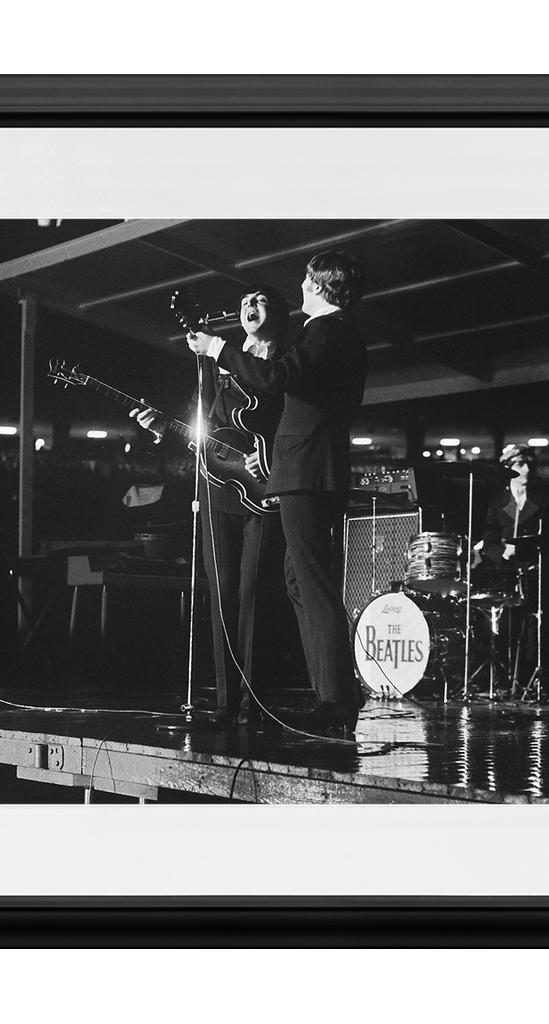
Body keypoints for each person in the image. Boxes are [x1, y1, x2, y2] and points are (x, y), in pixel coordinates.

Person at [186, 252, 368, 736]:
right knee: (298, 582)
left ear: (323, 286)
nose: (302, 285)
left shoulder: (327, 331)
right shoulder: (334, 333)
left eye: (309, 279)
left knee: (313, 585)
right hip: (304, 471)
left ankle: (337, 702)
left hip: (307, 472)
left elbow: (274, 377)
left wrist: (219, 350)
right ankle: (329, 696)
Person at [130, 286, 291, 726]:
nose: (248, 307)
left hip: (263, 487)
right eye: (242, 303)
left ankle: (253, 699)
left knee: (253, 591)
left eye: (260, 300)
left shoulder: (284, 361)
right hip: (219, 486)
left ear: (278, 312)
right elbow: (208, 425)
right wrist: (164, 426)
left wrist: (273, 455)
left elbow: (293, 420)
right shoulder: (222, 366)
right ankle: (225, 700)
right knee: (221, 594)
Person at [478, 443, 549, 698]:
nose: (527, 469)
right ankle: (503, 678)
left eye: (528, 463)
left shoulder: (546, 501)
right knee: (503, 625)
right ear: (508, 469)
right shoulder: (497, 503)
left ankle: (531, 677)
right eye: (520, 464)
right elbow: (488, 542)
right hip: (505, 573)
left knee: (535, 627)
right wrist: (501, 553)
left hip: (535, 573)